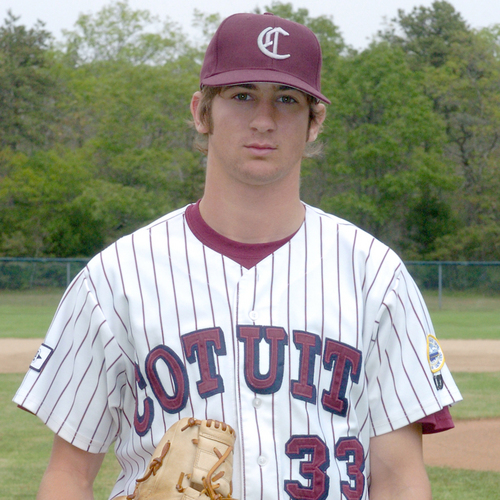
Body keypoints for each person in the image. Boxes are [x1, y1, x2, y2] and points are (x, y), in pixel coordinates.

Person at [14, 12, 462, 500]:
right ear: (201, 110)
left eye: (287, 100)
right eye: (241, 94)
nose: (264, 119)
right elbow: (68, 476)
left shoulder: (376, 276)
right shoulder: (115, 278)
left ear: (316, 122)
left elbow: (400, 479)